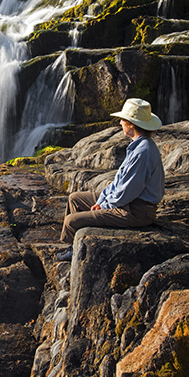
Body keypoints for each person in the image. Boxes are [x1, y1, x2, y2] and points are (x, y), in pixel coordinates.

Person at [57, 98, 165, 260]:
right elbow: (118, 182)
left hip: (137, 211)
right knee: (75, 199)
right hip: (128, 203)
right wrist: (102, 200)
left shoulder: (143, 151)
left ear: (131, 124)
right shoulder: (137, 145)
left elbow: (129, 189)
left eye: (123, 120)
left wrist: (106, 206)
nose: (120, 123)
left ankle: (77, 253)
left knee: (72, 221)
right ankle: (73, 245)